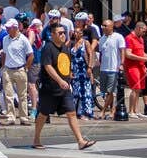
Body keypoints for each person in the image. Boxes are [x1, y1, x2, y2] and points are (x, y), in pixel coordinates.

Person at [32, 22, 95, 150]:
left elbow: (66, 64)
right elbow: (47, 66)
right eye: (60, 33)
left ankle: (80, 141)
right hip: (50, 89)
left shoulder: (65, 48)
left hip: (65, 89)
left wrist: (68, 77)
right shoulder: (48, 48)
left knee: (71, 112)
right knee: (43, 114)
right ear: (52, 35)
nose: (63, 35)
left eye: (64, 33)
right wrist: (60, 80)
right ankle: (36, 139)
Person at [0, 18, 32, 124]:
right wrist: (3, 66)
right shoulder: (5, 39)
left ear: (15, 28)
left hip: (20, 68)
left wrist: (26, 67)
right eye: (7, 27)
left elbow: (30, 55)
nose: (7, 29)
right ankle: (11, 117)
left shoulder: (23, 39)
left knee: (22, 95)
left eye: (9, 28)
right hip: (8, 69)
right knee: (8, 94)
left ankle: (23, 117)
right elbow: (4, 53)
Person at [69, 12, 97, 119]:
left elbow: (91, 54)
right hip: (75, 70)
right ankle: (78, 112)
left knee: (85, 91)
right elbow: (69, 56)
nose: (76, 34)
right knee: (76, 92)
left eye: (78, 32)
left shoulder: (86, 41)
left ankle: (88, 112)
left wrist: (90, 67)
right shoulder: (72, 44)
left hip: (84, 69)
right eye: (74, 32)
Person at [96, 18, 124, 118]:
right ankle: (112, 109)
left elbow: (122, 51)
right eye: (102, 26)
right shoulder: (102, 38)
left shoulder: (118, 37)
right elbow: (101, 53)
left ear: (111, 27)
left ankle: (104, 111)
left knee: (110, 91)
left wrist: (121, 64)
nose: (103, 27)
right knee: (106, 91)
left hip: (113, 68)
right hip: (104, 68)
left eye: (105, 26)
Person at [122, 19, 147, 117]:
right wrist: (144, 58)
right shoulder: (129, 38)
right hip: (132, 67)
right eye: (143, 30)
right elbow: (128, 54)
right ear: (138, 28)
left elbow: (141, 52)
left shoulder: (141, 39)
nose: (144, 33)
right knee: (135, 88)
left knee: (139, 89)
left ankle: (136, 110)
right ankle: (131, 111)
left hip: (140, 66)